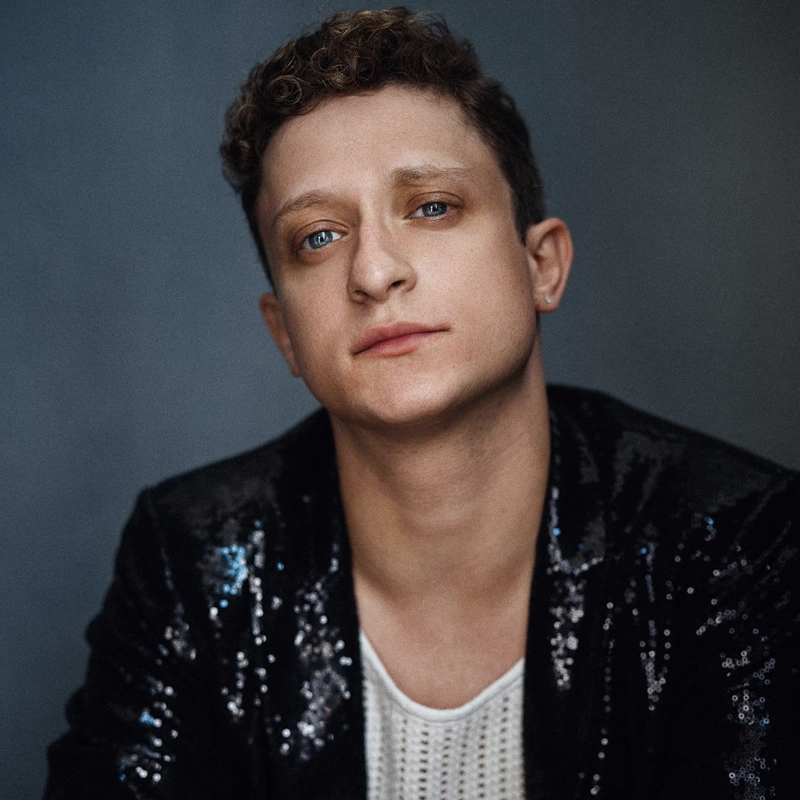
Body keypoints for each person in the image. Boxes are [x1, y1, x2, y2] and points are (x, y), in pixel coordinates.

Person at [44, 7, 799, 799]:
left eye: (433, 206)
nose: (374, 271)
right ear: (286, 336)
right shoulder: (193, 559)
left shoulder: (730, 540)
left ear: (542, 265)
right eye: (318, 237)